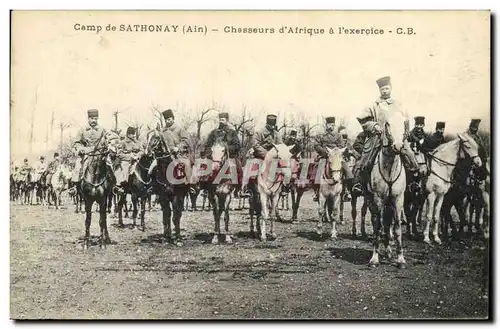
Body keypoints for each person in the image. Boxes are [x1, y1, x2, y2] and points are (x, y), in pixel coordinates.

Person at [351, 76, 420, 196]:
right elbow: (364, 121)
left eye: (386, 88)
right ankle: (360, 184)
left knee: (411, 157)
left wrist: (405, 133)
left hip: (397, 138)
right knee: (365, 160)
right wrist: (374, 126)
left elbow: (406, 120)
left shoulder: (399, 105)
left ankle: (412, 183)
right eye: (382, 89)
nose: (384, 91)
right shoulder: (373, 105)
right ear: (379, 90)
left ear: (391, 88)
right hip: (377, 137)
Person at [147, 109, 194, 193]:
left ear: (173, 118)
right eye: (166, 119)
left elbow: (185, 141)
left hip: (179, 154)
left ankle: (190, 186)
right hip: (164, 155)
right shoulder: (162, 131)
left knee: (186, 166)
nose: (167, 121)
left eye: (169, 119)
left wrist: (178, 147)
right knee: (151, 169)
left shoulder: (179, 129)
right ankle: (152, 186)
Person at [71, 109, 116, 186]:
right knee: (78, 167)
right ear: (88, 118)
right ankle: (76, 187)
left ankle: (113, 187)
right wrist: (81, 150)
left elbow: (111, 139)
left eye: (95, 119)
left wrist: (110, 145)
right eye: (92, 118)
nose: (94, 120)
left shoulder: (102, 129)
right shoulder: (82, 130)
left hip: (100, 154)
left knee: (110, 167)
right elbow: (76, 143)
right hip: (87, 154)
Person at [312, 117, 351, 201]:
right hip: (324, 156)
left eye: (333, 125)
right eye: (330, 125)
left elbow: (341, 145)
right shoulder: (320, 135)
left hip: (336, 156)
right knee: (315, 172)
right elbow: (316, 145)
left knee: (347, 170)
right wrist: (324, 152)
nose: (331, 126)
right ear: (326, 125)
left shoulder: (338, 135)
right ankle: (316, 192)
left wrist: (335, 151)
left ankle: (346, 191)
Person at [203, 112, 242, 185]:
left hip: (229, 156)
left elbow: (237, 145)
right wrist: (210, 154)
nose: (221, 121)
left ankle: (239, 190)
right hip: (214, 157)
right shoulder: (213, 133)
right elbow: (207, 145)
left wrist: (227, 149)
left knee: (239, 170)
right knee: (203, 171)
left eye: (223, 120)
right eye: (220, 120)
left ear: (227, 121)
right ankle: (203, 189)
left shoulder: (232, 132)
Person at [114, 126, 143, 192]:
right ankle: (123, 186)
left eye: (134, 134)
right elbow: (119, 154)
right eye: (132, 134)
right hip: (126, 161)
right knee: (125, 168)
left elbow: (142, 150)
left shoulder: (138, 142)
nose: (133, 135)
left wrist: (138, 155)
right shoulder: (123, 142)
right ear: (128, 134)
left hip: (137, 160)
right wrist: (130, 156)